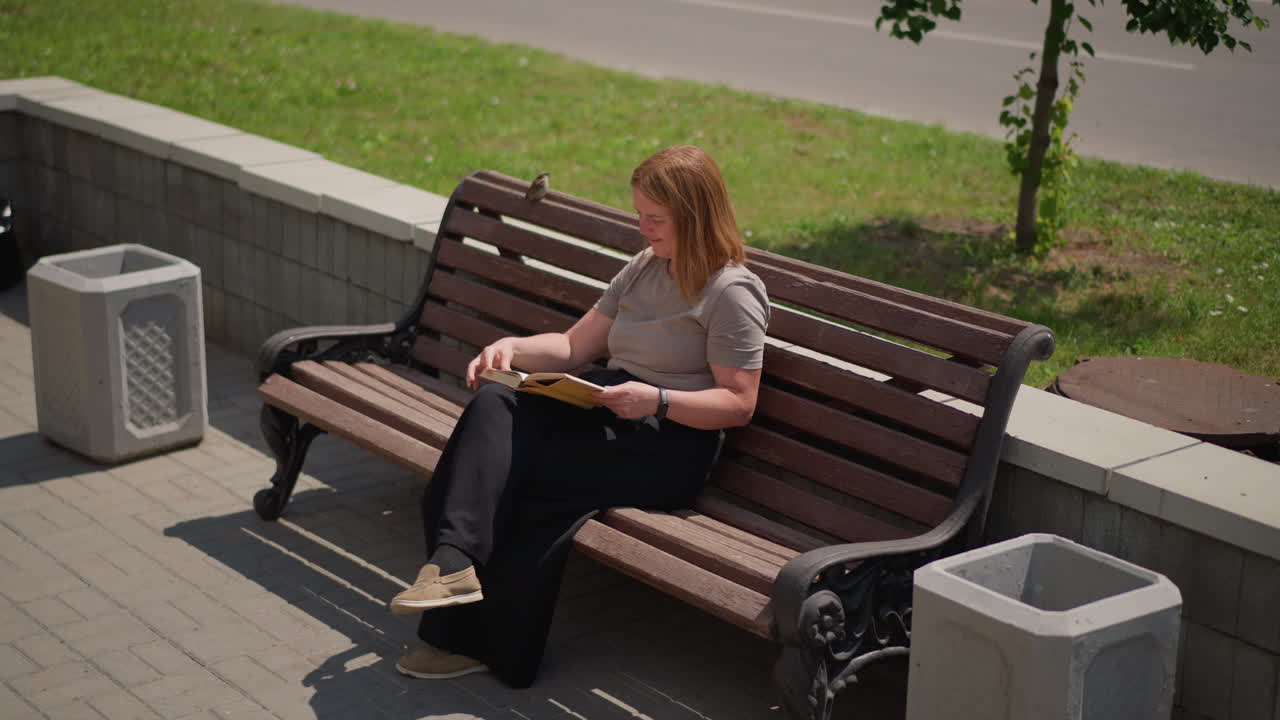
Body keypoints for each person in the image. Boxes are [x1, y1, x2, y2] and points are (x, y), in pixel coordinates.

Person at [388, 145, 770, 686]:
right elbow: (572, 348)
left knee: (521, 476)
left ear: (696, 215)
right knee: (497, 399)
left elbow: (738, 403)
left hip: (669, 441)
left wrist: (657, 400)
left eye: (655, 219)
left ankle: (478, 639)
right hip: (615, 410)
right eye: (640, 214)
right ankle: (453, 563)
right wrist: (512, 348)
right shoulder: (646, 266)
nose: (642, 228)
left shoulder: (732, 292)